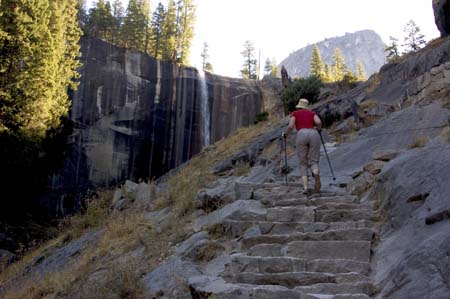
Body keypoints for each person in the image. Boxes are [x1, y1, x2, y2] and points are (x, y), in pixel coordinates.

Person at [282, 98, 322, 194]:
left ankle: (305, 187)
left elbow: (291, 126)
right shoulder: (312, 113)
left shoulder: (295, 113)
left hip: (301, 134)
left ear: (299, 106)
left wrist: (286, 134)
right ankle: (315, 173)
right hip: (314, 133)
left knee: (303, 162)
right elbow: (319, 122)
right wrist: (319, 129)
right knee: (314, 160)